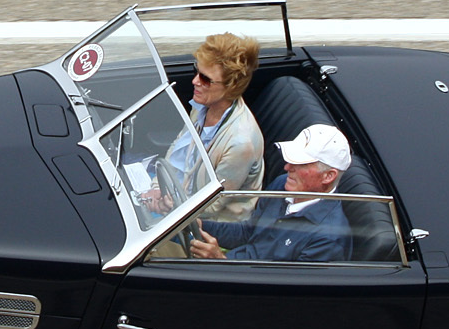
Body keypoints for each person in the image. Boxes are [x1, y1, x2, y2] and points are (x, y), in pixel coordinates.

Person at [144, 34, 264, 257]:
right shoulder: (202, 106)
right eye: (196, 71)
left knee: (142, 252)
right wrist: (157, 188)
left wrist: (167, 204)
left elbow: (211, 207)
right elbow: (177, 153)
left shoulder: (240, 143)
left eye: (206, 79)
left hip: (210, 230)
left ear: (230, 87)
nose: (195, 81)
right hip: (178, 201)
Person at [189, 123, 352, 262]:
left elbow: (284, 293)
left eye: (301, 164)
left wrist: (220, 262)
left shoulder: (328, 240)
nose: (288, 167)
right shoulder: (283, 184)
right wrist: (197, 224)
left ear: (328, 176)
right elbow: (248, 232)